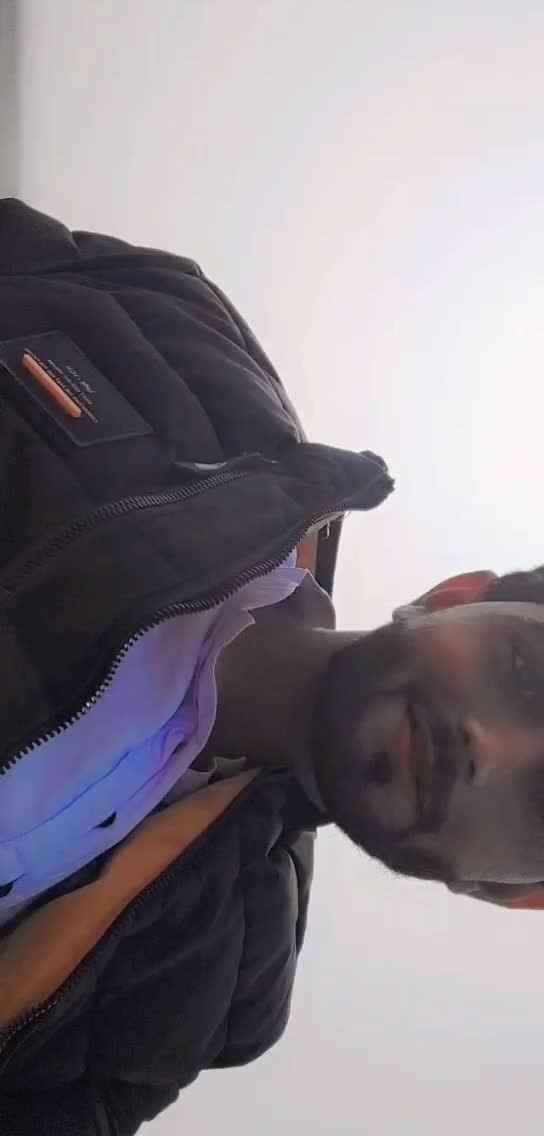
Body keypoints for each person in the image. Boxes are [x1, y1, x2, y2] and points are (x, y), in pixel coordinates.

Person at [0, 200, 541, 1135]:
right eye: (527, 674)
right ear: (458, 595)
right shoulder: (183, 345)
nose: (485, 745)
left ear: (508, 890)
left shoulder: (202, 998)